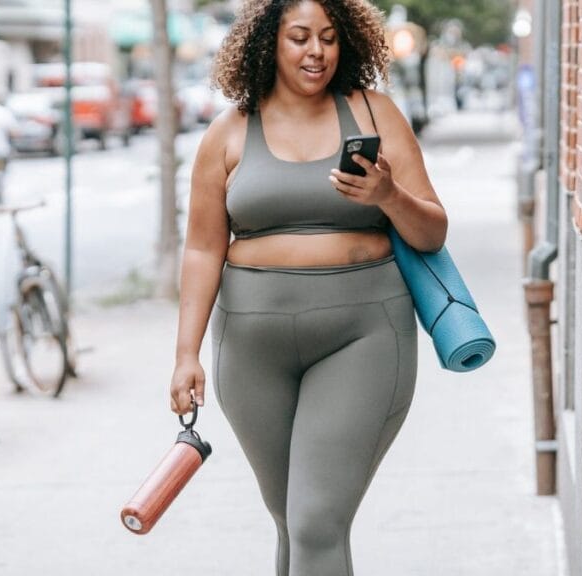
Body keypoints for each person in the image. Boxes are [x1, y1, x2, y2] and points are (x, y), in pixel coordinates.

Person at [168, 1, 447, 574]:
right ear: (269, 44)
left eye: (328, 37)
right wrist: (184, 355)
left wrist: (388, 197)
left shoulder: (375, 115)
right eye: (299, 37)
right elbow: (201, 249)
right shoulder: (227, 133)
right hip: (250, 349)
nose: (315, 51)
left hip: (363, 336)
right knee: (291, 522)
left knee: (317, 522)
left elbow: (432, 231)